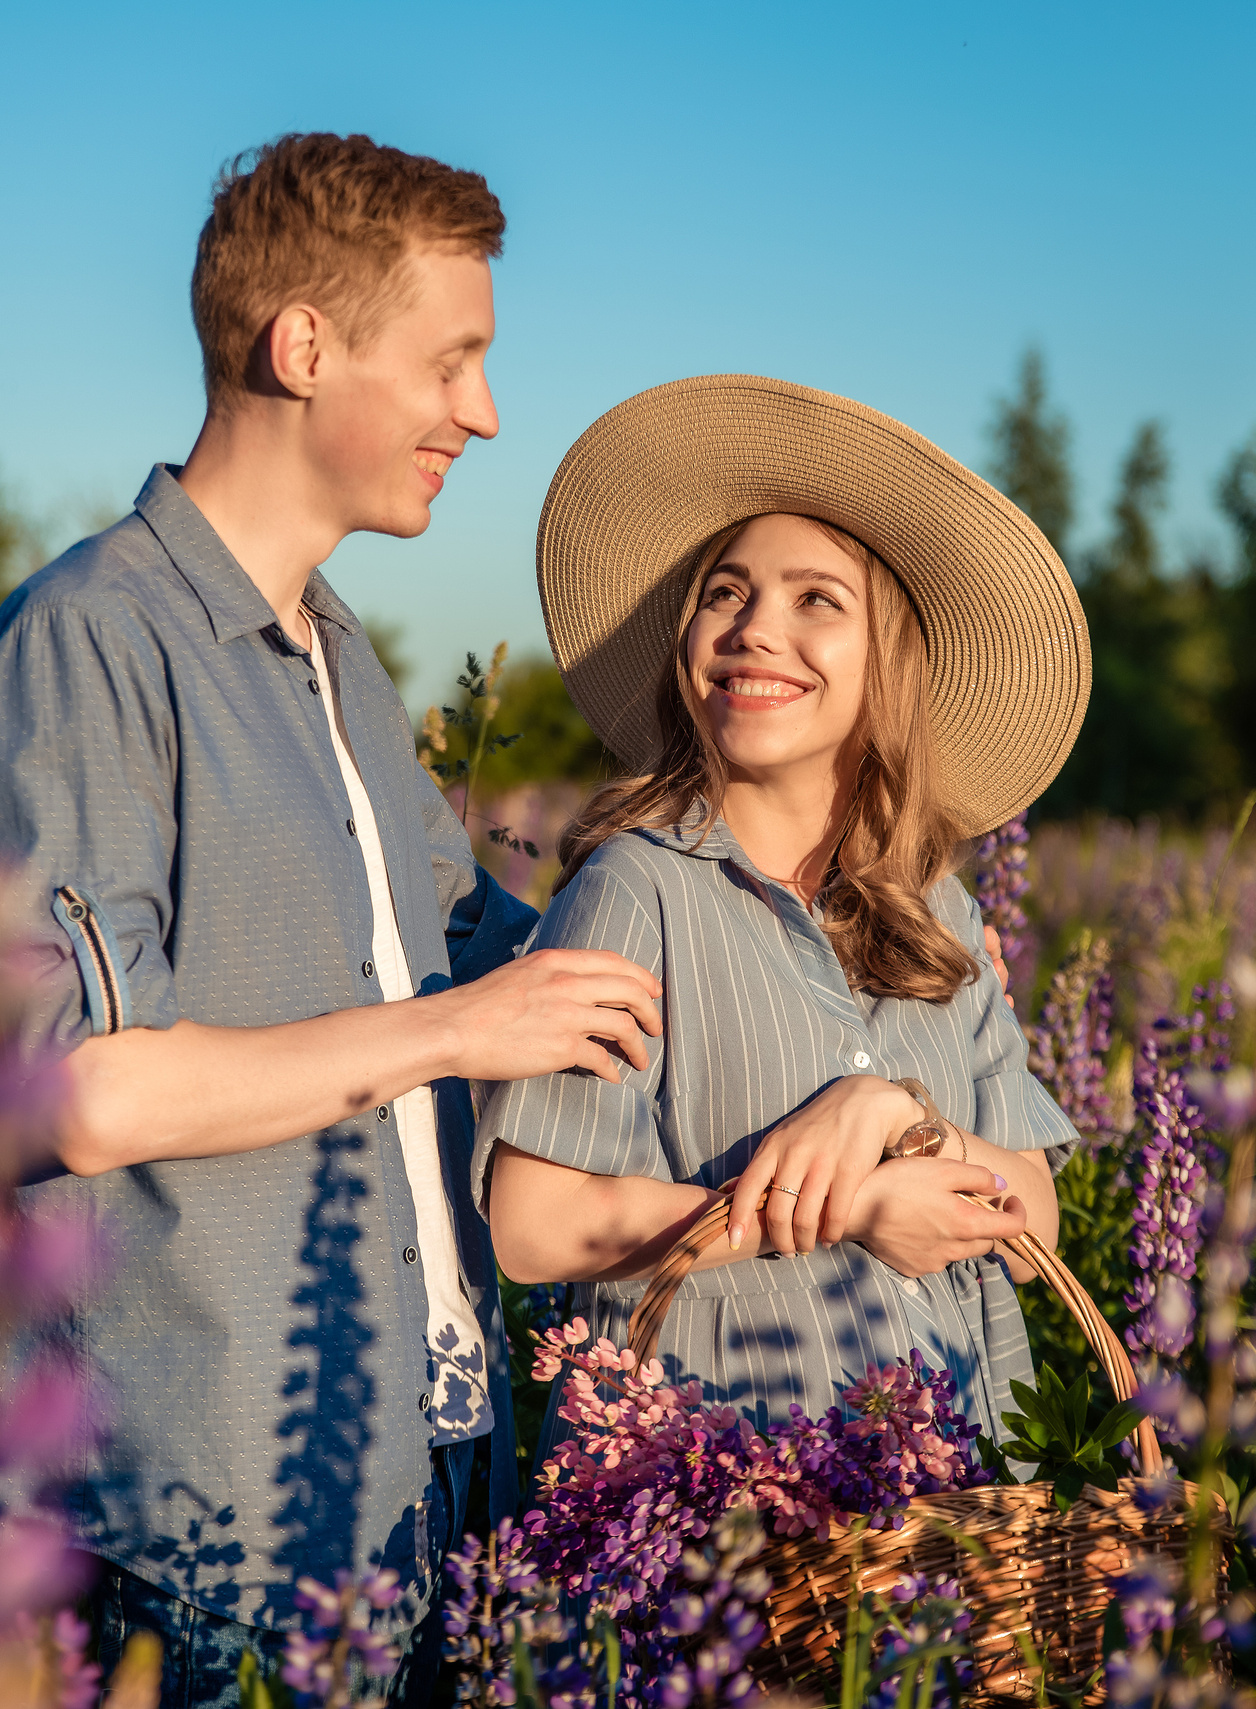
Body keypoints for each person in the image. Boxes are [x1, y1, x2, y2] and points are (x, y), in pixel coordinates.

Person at [0, 133, 663, 1709]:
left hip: (431, 1462)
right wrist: (456, 1031)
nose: (482, 412)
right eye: (454, 360)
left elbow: (488, 948)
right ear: (305, 345)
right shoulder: (89, 643)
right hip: (207, 1516)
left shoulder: (340, 656)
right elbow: (78, 1089)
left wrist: (743, 907)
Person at [481, 375, 1089, 1448]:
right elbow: (535, 1224)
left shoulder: (936, 911)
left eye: (816, 599)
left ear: (885, 661)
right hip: (726, 1506)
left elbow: (1032, 1212)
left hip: (958, 1514)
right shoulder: (638, 886)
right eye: (725, 592)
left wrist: (896, 1121)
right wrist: (848, 1207)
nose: (756, 628)